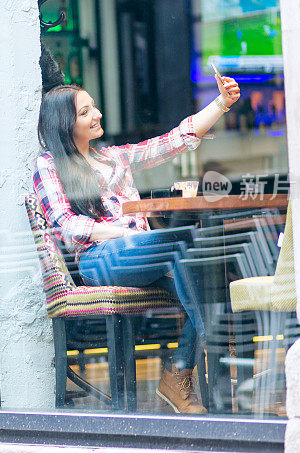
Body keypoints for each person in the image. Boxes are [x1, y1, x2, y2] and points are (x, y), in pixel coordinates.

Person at [33, 77, 240, 414]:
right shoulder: (50, 165)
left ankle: (179, 371)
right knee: (185, 246)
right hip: (98, 259)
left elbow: (172, 142)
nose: (97, 114)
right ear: (65, 123)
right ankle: (215, 342)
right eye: (85, 112)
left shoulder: (115, 158)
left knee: (205, 272)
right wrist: (117, 233)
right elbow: (63, 225)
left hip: (148, 254)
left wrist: (221, 104)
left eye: (93, 106)